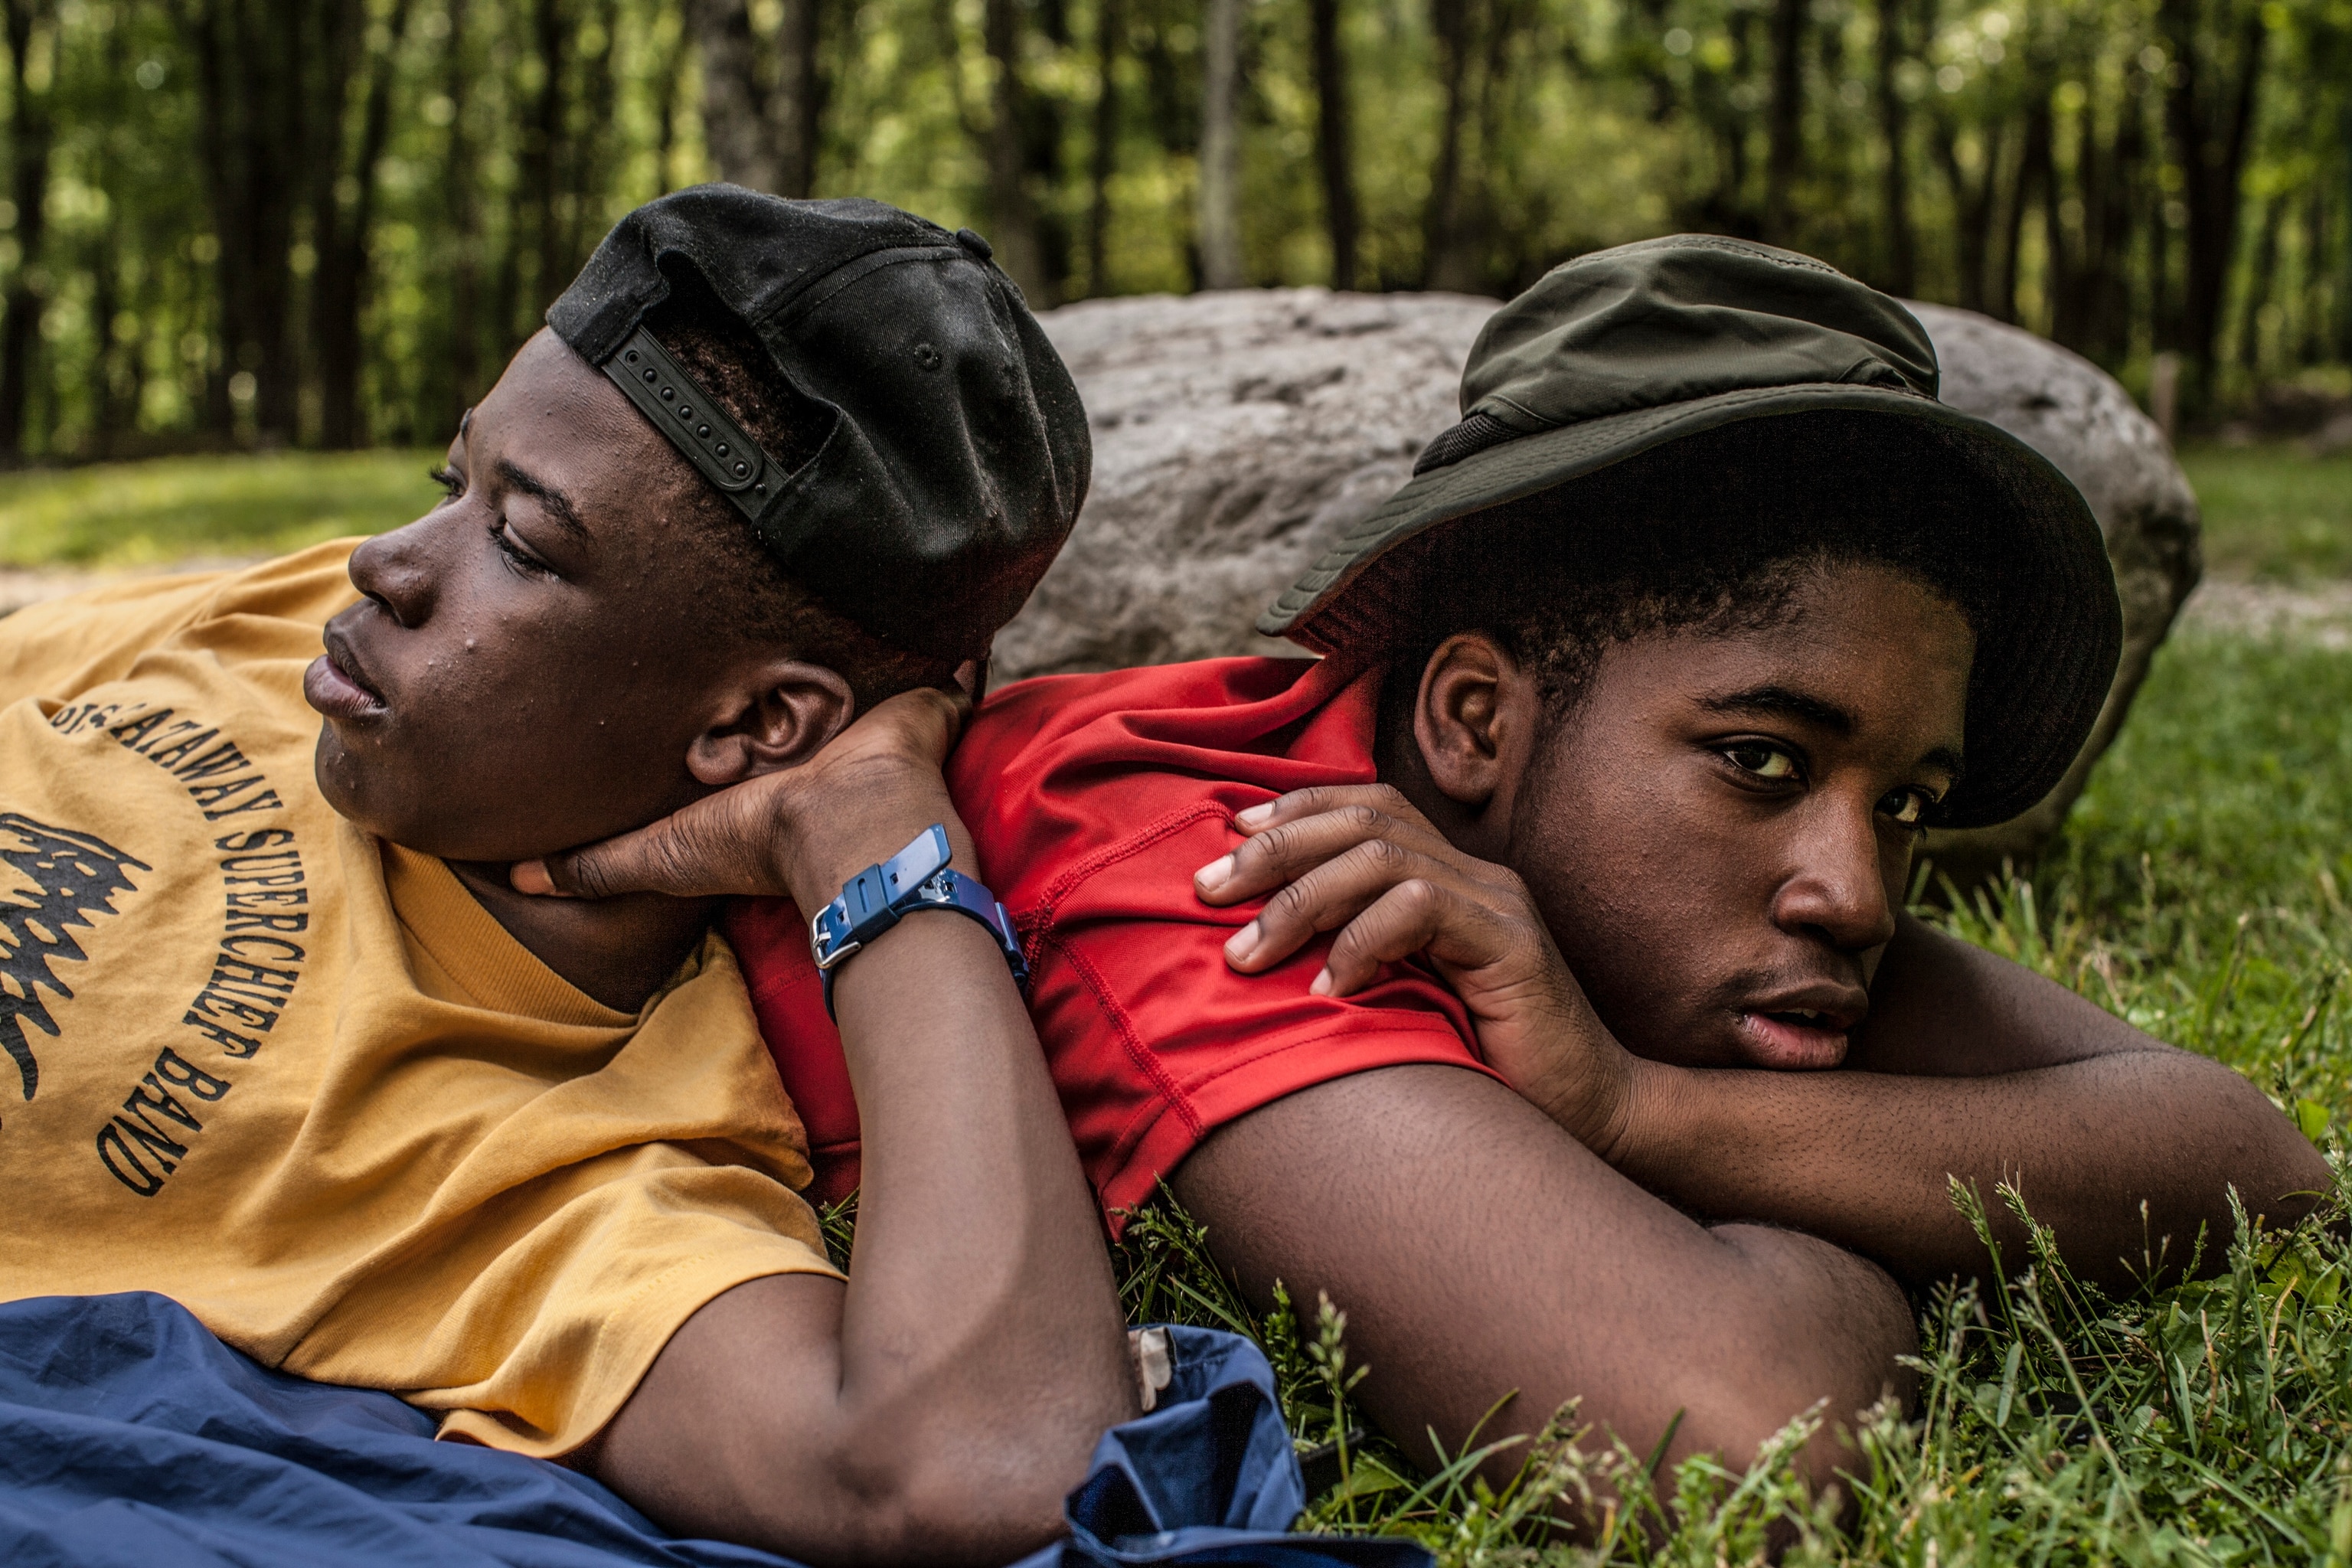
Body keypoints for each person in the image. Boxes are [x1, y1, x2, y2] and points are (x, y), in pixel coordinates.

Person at [532, 235, 2334, 1506]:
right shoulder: (1228, 856)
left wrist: (1650, 1111)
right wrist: (1873, 1177)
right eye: (1764, 763)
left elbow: (2255, 1164)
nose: (1853, 891)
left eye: (1912, 800)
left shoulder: (1692, 903)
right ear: (1472, 721)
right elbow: (1729, 1452)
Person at [0, 188, 1143, 1564]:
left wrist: (872, 838)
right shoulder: (291, 636)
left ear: (758, 728)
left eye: (522, 545)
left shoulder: (555, 1161)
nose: (382, 566)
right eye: (450, 483)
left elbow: (977, 1457)